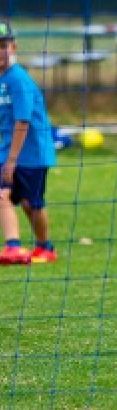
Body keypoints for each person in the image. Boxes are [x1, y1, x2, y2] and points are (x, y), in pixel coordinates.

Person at [0, 21, 57, 265]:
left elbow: (22, 121)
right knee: (3, 196)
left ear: (13, 47)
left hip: (31, 153)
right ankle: (13, 247)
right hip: (8, 151)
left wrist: (12, 160)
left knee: (29, 203)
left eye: (2, 46)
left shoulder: (18, 80)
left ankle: (45, 247)